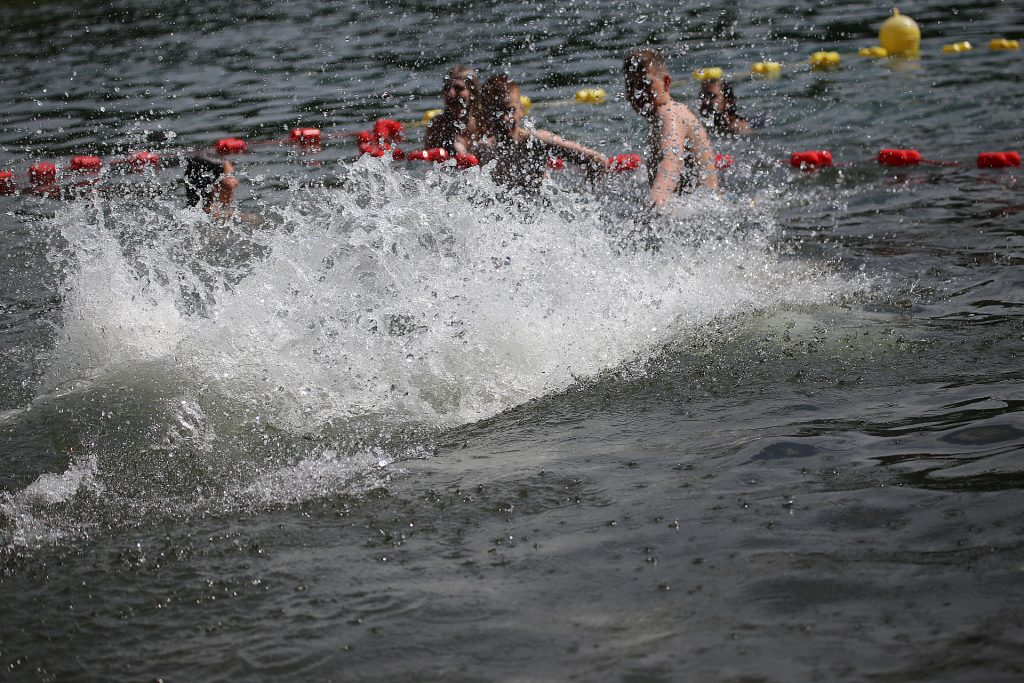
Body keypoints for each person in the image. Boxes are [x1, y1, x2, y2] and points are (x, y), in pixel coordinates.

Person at [476, 75, 607, 192]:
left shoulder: (537, 141)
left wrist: (588, 196)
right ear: (484, 115)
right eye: (495, 111)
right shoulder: (482, 149)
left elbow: (597, 160)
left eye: (510, 110)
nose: (504, 118)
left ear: (521, 110)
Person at [623, 49, 718, 207]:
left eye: (644, 84)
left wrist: (655, 201)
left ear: (666, 82)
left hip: (701, 212)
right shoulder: (668, 114)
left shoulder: (669, 114)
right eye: (630, 85)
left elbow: (672, 160)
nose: (637, 92)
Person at [424, 65, 482, 155]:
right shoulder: (437, 126)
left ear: (473, 93)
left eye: (458, 88)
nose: (451, 93)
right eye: (447, 88)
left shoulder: (484, 124)